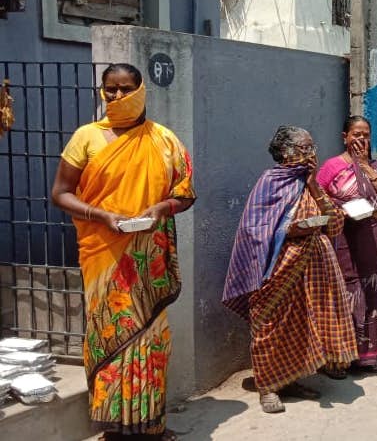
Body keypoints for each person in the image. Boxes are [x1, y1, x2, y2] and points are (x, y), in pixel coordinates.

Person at [51, 63, 194, 440]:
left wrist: (159, 210)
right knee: (110, 337)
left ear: (141, 90)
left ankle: (151, 424)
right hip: (104, 255)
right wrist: (101, 215)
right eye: (110, 89)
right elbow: (60, 193)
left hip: (149, 257)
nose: (116, 97)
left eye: (125, 89)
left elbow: (185, 193)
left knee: (151, 339)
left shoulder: (164, 140)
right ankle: (114, 427)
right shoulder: (86, 137)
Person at [223, 126, 359, 414]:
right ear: (286, 153)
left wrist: (312, 185)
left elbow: (334, 225)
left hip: (316, 271)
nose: (312, 154)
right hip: (279, 267)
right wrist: (289, 230)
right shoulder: (271, 182)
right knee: (269, 324)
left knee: (305, 327)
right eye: (304, 148)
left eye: (312, 147)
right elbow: (255, 229)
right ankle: (268, 386)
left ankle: (292, 379)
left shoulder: (312, 183)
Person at [317, 116, 377, 374]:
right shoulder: (332, 166)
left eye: (365, 135)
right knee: (344, 292)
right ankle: (339, 357)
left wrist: (365, 167)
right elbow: (316, 196)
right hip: (341, 235)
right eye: (356, 134)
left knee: (370, 291)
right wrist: (337, 210)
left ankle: (367, 356)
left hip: (369, 236)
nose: (361, 139)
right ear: (345, 137)